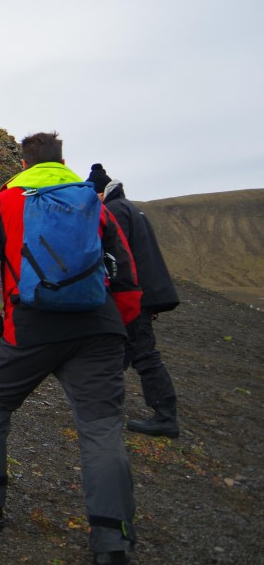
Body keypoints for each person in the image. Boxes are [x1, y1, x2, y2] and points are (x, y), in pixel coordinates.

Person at [0, 132, 142, 565]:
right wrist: (122, 333)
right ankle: (112, 545)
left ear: (23, 163)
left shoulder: (3, 203)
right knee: (101, 428)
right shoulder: (94, 204)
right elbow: (126, 275)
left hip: (31, 326)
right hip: (99, 327)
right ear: (62, 161)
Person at [101, 177, 182, 438]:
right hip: (146, 290)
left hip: (134, 293)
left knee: (143, 351)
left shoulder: (114, 210)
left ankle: (165, 416)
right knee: (122, 348)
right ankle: (105, 403)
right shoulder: (132, 208)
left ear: (101, 192)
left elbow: (116, 255)